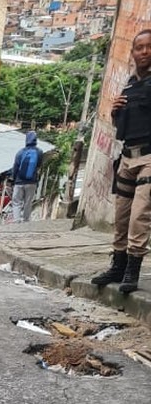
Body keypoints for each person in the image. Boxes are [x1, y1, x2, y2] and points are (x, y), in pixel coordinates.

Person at [91, 29, 151, 294]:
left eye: (149, 47)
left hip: (149, 157)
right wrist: (116, 113)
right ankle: (118, 265)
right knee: (122, 215)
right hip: (127, 156)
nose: (144, 52)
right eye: (139, 47)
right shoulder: (129, 85)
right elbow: (122, 128)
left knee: (140, 215)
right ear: (133, 53)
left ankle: (132, 270)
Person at [10, 131, 43, 223]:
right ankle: (26, 220)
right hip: (32, 182)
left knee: (16, 201)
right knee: (28, 202)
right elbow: (39, 166)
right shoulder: (39, 152)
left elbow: (15, 167)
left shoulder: (20, 152)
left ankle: (16, 221)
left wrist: (13, 179)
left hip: (19, 182)